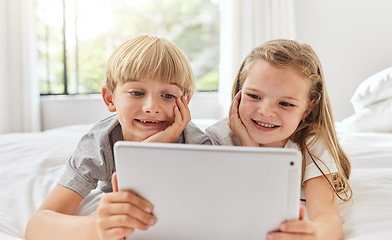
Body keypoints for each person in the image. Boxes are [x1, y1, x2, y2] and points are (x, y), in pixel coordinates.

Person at [26, 34, 211, 240]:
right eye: (136, 92)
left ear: (185, 101)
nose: (151, 107)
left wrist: (152, 150)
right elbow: (37, 226)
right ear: (109, 98)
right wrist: (97, 227)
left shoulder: (198, 144)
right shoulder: (100, 143)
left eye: (168, 96)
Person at [206, 39, 352, 240]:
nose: (265, 111)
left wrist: (315, 234)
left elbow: (327, 217)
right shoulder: (216, 138)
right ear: (239, 92)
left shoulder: (309, 144)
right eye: (254, 96)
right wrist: (248, 146)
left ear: (307, 110)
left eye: (285, 103)